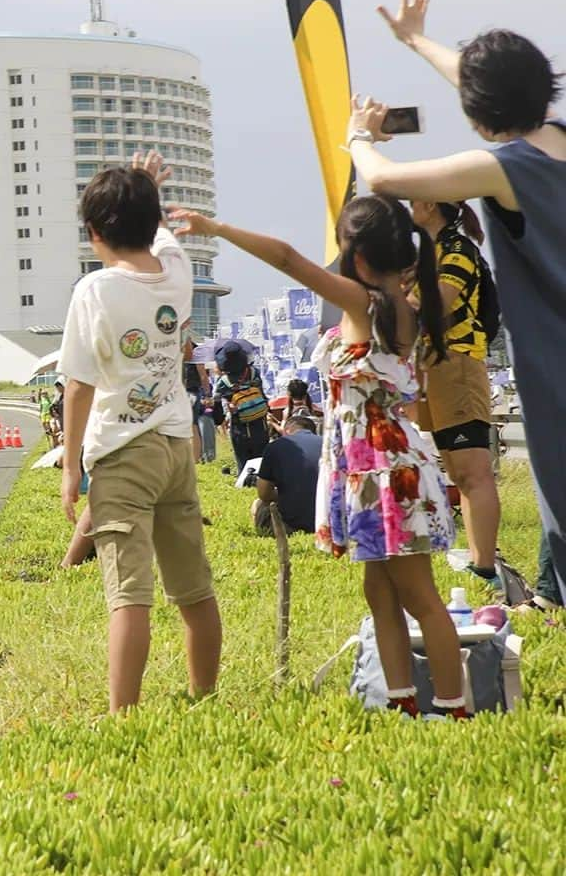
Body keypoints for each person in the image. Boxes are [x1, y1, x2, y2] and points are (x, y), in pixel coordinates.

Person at [172, 194, 467, 718]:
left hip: (384, 470)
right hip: (377, 467)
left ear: (355, 259)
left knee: (419, 596)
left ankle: (454, 707)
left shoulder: (369, 305)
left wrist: (216, 227)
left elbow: (288, 257)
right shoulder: (407, 304)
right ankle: (403, 703)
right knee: (379, 591)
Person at [348, 0, 566, 603]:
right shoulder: (552, 142)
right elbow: (499, 96)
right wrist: (417, 41)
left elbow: (385, 180)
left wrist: (358, 135)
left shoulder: (503, 170)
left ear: (479, 114)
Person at [58, 150, 221, 713]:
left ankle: (122, 716)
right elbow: (165, 240)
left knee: (129, 595)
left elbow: (77, 386)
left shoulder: (95, 291)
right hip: (176, 444)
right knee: (193, 588)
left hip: (123, 452)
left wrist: (71, 468)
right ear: (152, 224)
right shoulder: (177, 273)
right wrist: (147, 185)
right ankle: (204, 695)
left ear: (94, 232)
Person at [409, 199, 502, 591]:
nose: (410, 206)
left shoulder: (458, 250)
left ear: (430, 205)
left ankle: (484, 568)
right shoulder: (430, 252)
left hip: (459, 364)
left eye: (414, 200)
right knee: (458, 471)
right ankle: (479, 561)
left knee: (472, 472)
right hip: (435, 366)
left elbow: (434, 303)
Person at [251, 415, 321, 535]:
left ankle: (264, 536)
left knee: (258, 504)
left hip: (289, 525)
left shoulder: (274, 447)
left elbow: (264, 494)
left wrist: (286, 494)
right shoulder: (330, 445)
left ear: (287, 429)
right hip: (327, 523)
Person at [212, 342, 269, 473]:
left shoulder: (223, 382)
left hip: (239, 424)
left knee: (242, 459)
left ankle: (244, 481)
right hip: (260, 422)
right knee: (261, 459)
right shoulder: (254, 372)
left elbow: (217, 410)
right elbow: (261, 394)